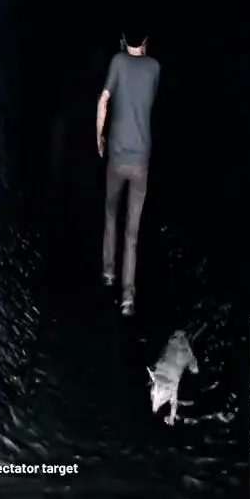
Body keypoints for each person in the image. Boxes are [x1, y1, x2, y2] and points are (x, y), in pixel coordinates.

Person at [96, 32, 160, 315]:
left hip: (117, 156)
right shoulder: (154, 67)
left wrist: (99, 137)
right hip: (140, 160)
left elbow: (103, 100)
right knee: (132, 233)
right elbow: (147, 102)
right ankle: (127, 299)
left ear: (123, 40)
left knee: (111, 214)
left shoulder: (117, 62)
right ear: (145, 42)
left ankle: (108, 272)